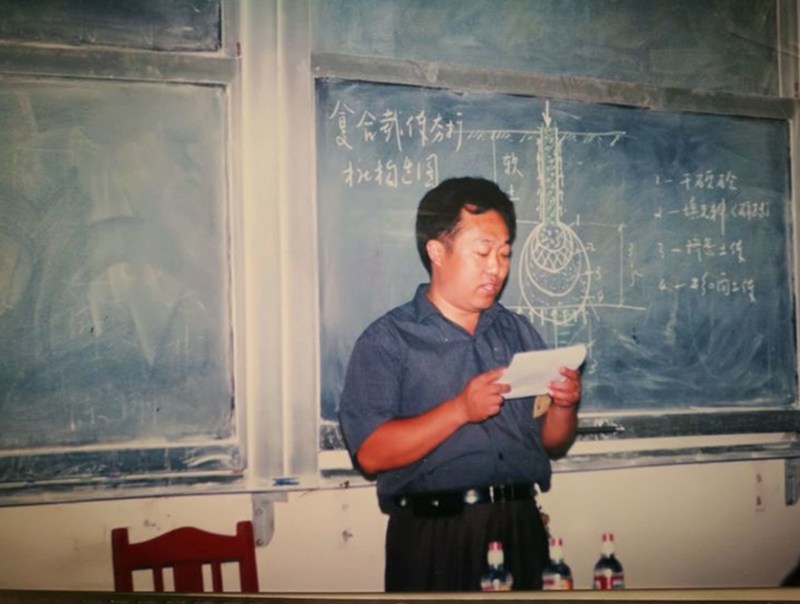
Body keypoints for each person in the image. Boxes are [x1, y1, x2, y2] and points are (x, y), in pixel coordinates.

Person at [338, 176, 582, 592]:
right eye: (483, 252)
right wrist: (459, 410)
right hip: (436, 535)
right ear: (437, 251)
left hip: (521, 525)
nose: (496, 268)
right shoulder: (388, 340)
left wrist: (564, 405)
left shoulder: (518, 332)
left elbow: (552, 442)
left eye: (504, 253)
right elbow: (371, 453)